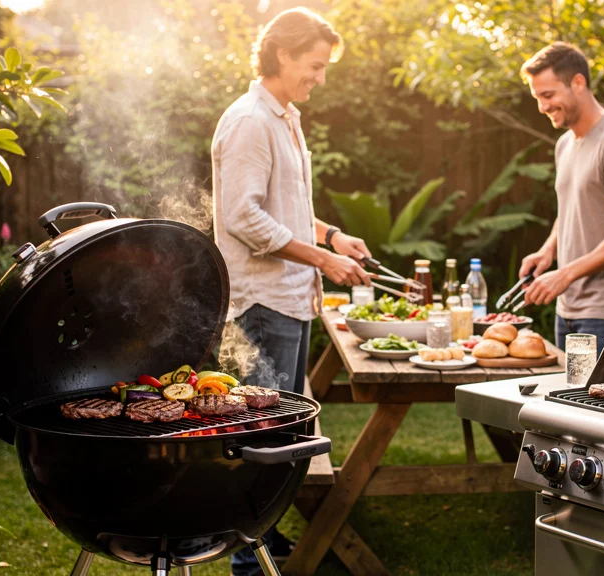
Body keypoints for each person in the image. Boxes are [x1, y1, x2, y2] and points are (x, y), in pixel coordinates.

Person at [211, 8, 369, 575]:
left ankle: (271, 547)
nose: (320, 78)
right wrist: (321, 256)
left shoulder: (284, 117)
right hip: (260, 305)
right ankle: (250, 566)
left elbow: (287, 209)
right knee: (264, 443)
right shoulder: (252, 120)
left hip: (289, 300)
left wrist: (332, 235)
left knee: (285, 433)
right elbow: (244, 218)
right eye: (314, 65)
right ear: (282, 55)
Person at [518, 42, 604, 354]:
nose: (542, 107)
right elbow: (572, 208)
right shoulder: (565, 144)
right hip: (568, 308)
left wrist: (565, 274)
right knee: (566, 403)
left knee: (596, 403)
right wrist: (548, 250)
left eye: (548, 95)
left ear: (578, 82)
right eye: (537, 97)